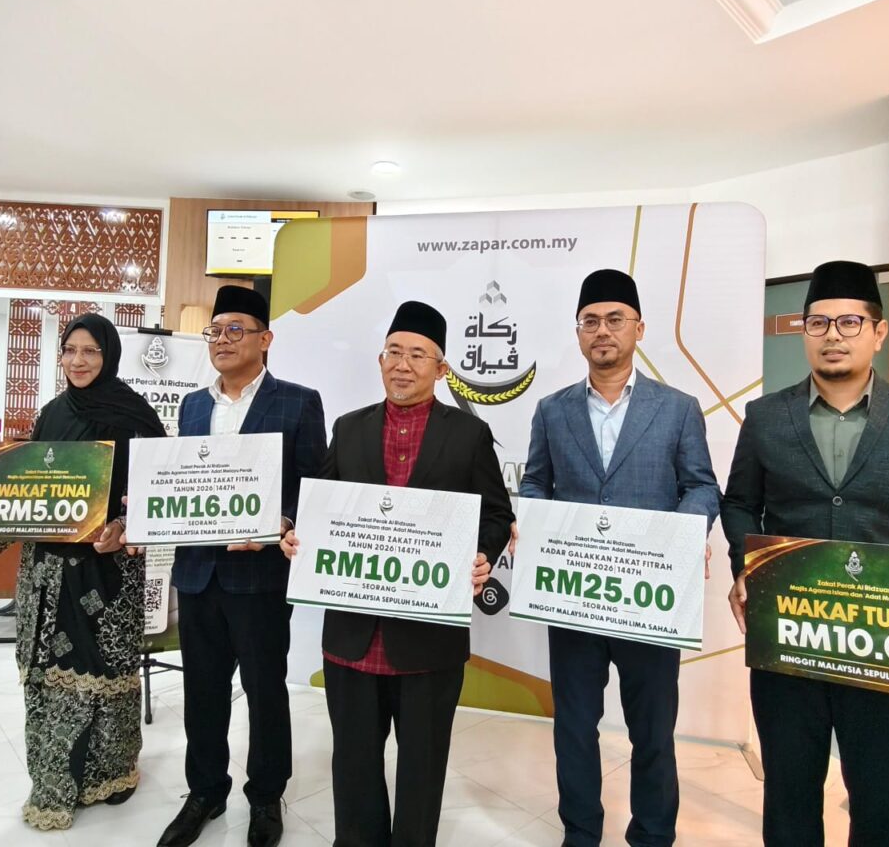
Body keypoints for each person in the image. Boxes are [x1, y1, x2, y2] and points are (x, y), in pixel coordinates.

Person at [721, 260, 889, 847]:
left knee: (882, 807)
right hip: (790, 640)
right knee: (789, 800)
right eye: (818, 323)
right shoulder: (766, 417)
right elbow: (740, 503)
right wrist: (745, 566)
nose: (833, 335)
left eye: (849, 322)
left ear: (879, 331)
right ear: (804, 333)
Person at [281, 300, 513, 846]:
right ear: (380, 359)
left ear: (441, 367)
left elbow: (496, 514)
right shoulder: (349, 428)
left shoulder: (469, 434)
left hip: (429, 639)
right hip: (352, 636)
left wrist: (482, 553)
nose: (402, 365)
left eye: (417, 355)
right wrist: (296, 532)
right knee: (353, 761)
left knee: (422, 767)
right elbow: (320, 505)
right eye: (393, 352)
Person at [519, 269, 720, 847]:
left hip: (648, 599)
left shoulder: (678, 408)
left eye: (614, 319)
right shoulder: (551, 410)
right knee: (574, 726)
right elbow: (535, 483)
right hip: (574, 596)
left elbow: (701, 486)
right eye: (590, 321)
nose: (602, 331)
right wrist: (533, 521)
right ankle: (581, 832)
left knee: (652, 730)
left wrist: (679, 539)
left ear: (639, 328)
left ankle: (653, 834)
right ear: (578, 332)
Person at [0, 313, 166, 830]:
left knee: (107, 674)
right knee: (48, 678)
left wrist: (124, 526)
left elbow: (157, 495)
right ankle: (54, 786)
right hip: (46, 574)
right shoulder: (51, 415)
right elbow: (30, 491)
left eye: (90, 351)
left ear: (110, 355)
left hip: (107, 573)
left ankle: (112, 773)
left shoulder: (135, 416)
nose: (78, 361)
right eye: (70, 350)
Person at [157, 286, 326, 847]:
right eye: (215, 331)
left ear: (265, 339)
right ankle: (205, 792)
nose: (222, 340)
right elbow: (183, 483)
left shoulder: (298, 402)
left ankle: (266, 795)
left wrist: (281, 521)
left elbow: (314, 486)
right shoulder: (193, 405)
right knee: (202, 692)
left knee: (265, 690)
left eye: (236, 330)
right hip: (197, 575)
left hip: (259, 579)